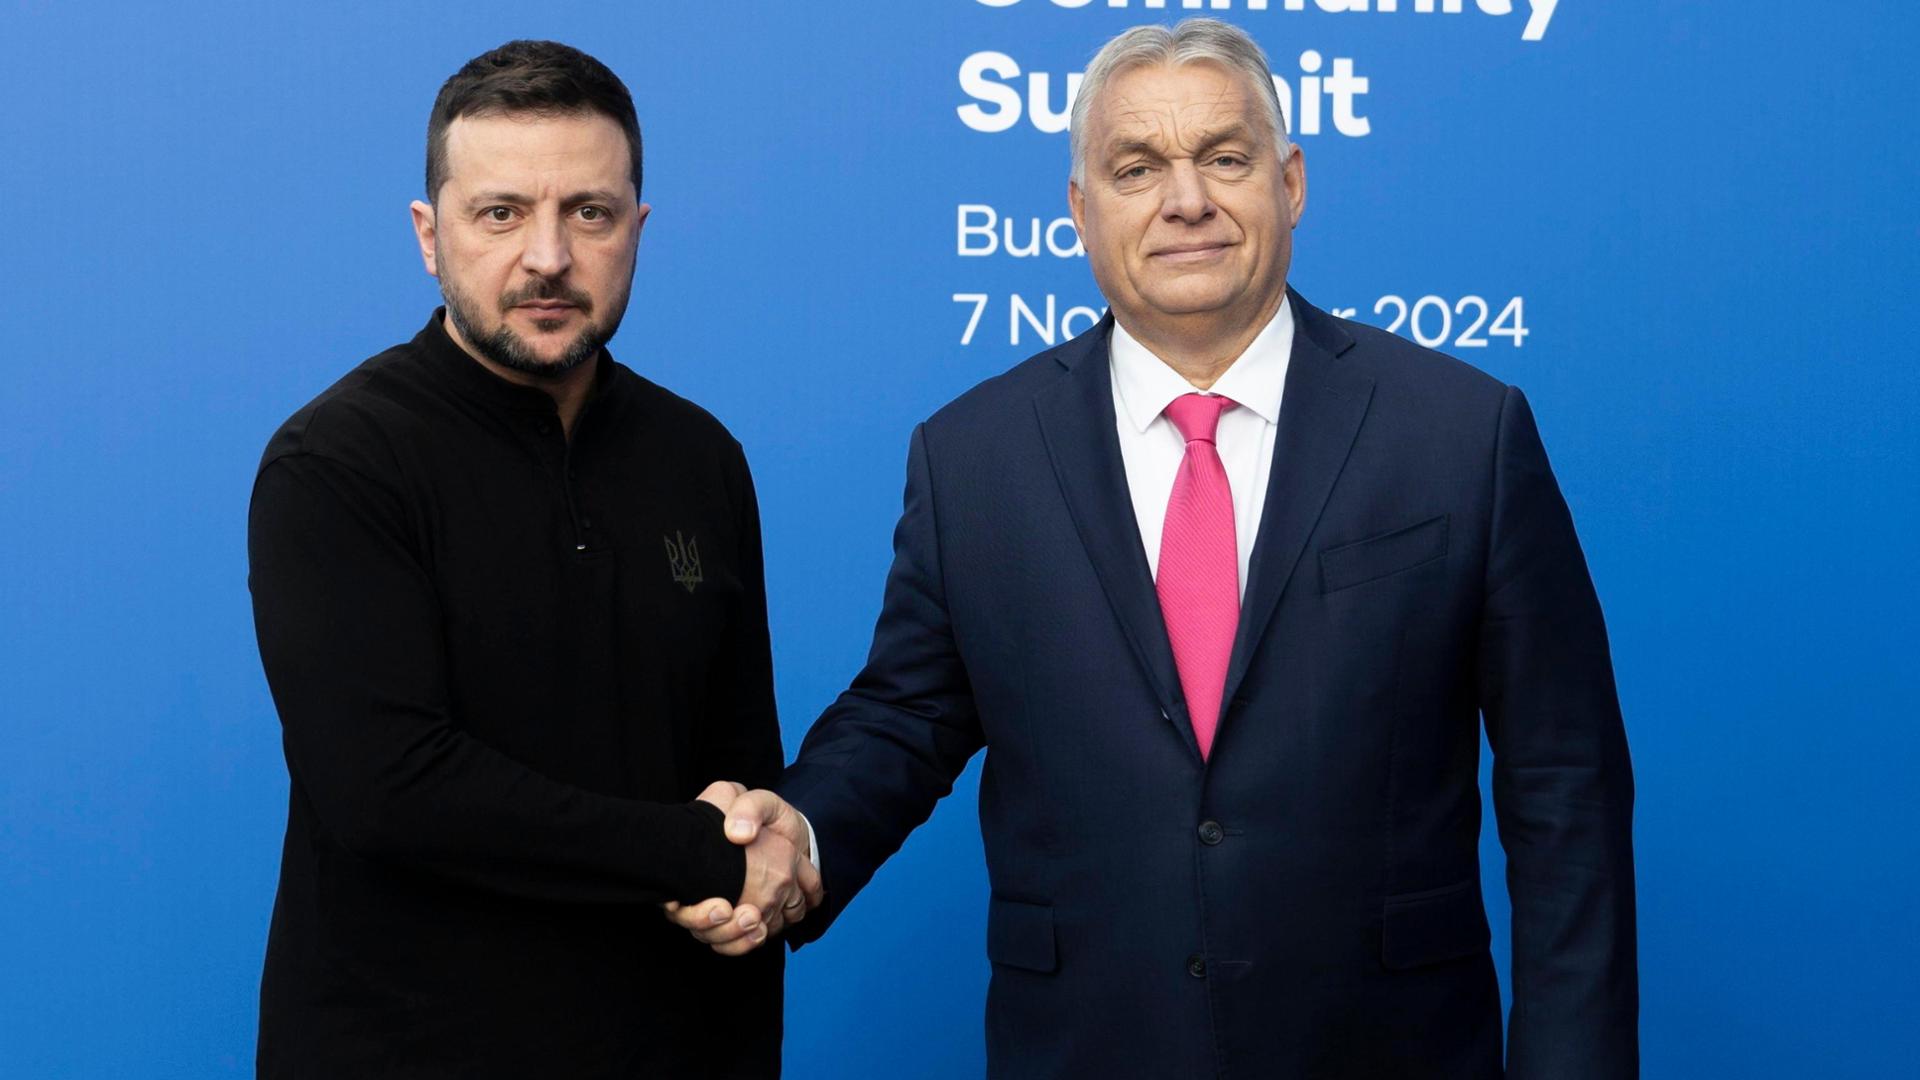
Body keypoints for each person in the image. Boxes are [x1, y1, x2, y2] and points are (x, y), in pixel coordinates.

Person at [674, 18, 1636, 1079]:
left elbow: (1567, 790)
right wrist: (802, 834)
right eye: (1136, 168)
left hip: (1390, 1048)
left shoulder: (1461, 432)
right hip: (1087, 1046)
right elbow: (908, 713)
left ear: (1291, 183)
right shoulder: (973, 456)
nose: (1186, 200)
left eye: (1224, 158)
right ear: (1081, 211)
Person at [248, 40, 815, 1078]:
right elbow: (390, 788)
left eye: (588, 213)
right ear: (430, 236)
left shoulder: (700, 457)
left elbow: (742, 769)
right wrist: (697, 852)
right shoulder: (338, 461)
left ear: (637, 229)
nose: (547, 257)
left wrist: (765, 865)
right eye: (501, 213)